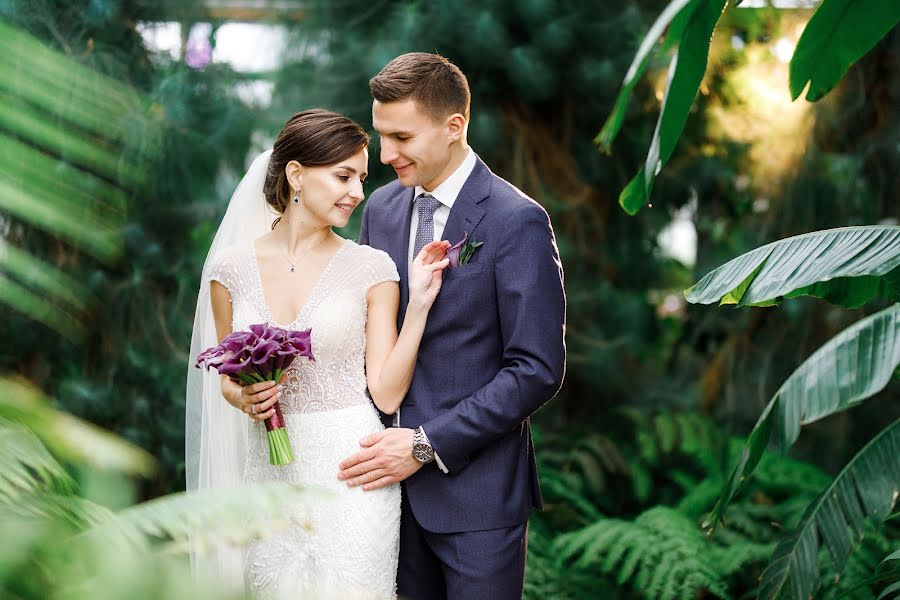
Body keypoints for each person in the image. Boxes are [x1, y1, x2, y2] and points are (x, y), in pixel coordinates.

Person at [185, 108, 449, 599]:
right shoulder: (229, 270)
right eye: (344, 176)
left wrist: (418, 310)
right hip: (268, 473)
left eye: (362, 178)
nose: (358, 192)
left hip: (351, 473)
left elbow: (387, 394)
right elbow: (226, 375)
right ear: (296, 175)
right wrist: (244, 399)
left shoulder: (372, 268)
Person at [339, 53, 566, 599]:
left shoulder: (517, 221)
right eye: (380, 136)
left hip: (477, 503)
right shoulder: (383, 211)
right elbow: (365, 336)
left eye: (401, 138)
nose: (386, 154)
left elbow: (536, 369)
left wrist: (422, 445)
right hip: (383, 499)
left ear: (454, 126)